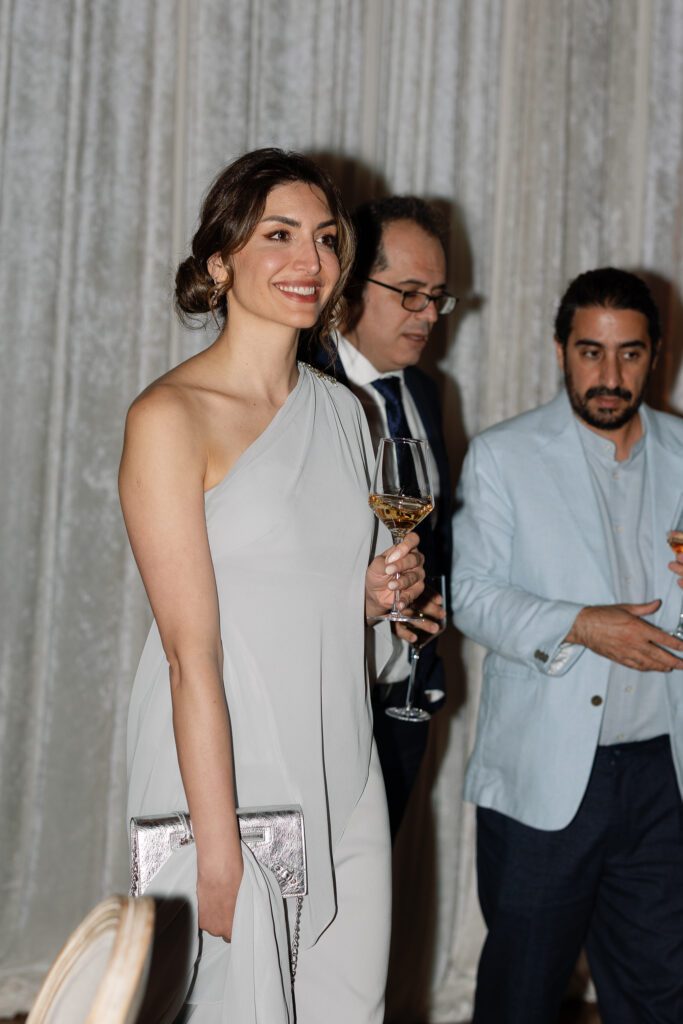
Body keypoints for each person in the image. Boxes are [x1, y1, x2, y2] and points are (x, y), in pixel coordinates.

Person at [120, 148, 430, 1024]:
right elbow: (189, 655)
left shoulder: (345, 413)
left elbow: (322, 594)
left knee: (344, 1001)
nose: (311, 261)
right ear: (220, 262)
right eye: (279, 235)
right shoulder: (168, 417)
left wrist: (372, 597)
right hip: (225, 770)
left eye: (327, 239)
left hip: (341, 757)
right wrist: (217, 848)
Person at [451, 267, 683, 1024]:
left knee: (659, 994)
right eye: (590, 352)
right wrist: (582, 623)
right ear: (559, 351)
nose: (608, 375)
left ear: (655, 354)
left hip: (662, 776)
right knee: (520, 993)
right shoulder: (502, 456)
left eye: (628, 354)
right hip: (544, 776)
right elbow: (470, 597)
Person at [309, 196, 454, 839]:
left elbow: (432, 535)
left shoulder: (426, 391)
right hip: (316, 707)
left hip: (402, 703)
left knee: (375, 919)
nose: (428, 316)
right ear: (349, 284)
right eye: (411, 293)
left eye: (439, 298)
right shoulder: (300, 387)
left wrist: (432, 602)